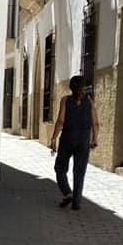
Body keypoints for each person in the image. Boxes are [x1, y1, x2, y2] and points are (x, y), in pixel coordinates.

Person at [49, 75, 99, 211]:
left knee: (60, 168)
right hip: (83, 139)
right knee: (79, 171)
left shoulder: (65, 100)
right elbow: (95, 122)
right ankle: (76, 202)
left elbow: (60, 122)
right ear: (83, 88)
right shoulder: (89, 102)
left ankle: (67, 192)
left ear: (71, 87)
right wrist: (94, 138)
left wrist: (53, 138)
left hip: (67, 138)